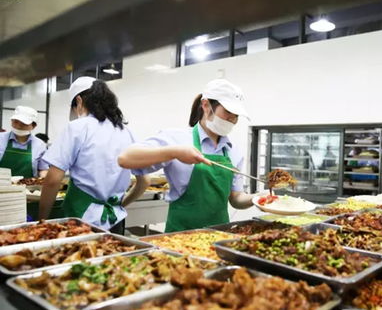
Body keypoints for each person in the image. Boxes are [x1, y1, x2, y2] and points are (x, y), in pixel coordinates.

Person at [119, 79, 254, 232]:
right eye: (228, 112)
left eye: (236, 115)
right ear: (206, 105)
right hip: (179, 238)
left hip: (220, 236)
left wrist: (258, 199)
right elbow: (126, 158)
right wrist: (175, 152)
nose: (232, 119)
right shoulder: (177, 138)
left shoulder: (233, 151)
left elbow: (236, 198)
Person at [39, 77, 150, 233]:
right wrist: (120, 205)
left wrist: (42, 220)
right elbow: (144, 181)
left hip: (81, 219)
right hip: (115, 220)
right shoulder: (126, 132)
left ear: (79, 101)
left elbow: (53, 180)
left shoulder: (77, 128)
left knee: (81, 257)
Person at [0, 106, 48, 178]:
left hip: (28, 187)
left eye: (24, 123)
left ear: (33, 126)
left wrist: (43, 179)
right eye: (15, 122)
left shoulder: (40, 145)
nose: (18, 126)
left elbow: (43, 169)